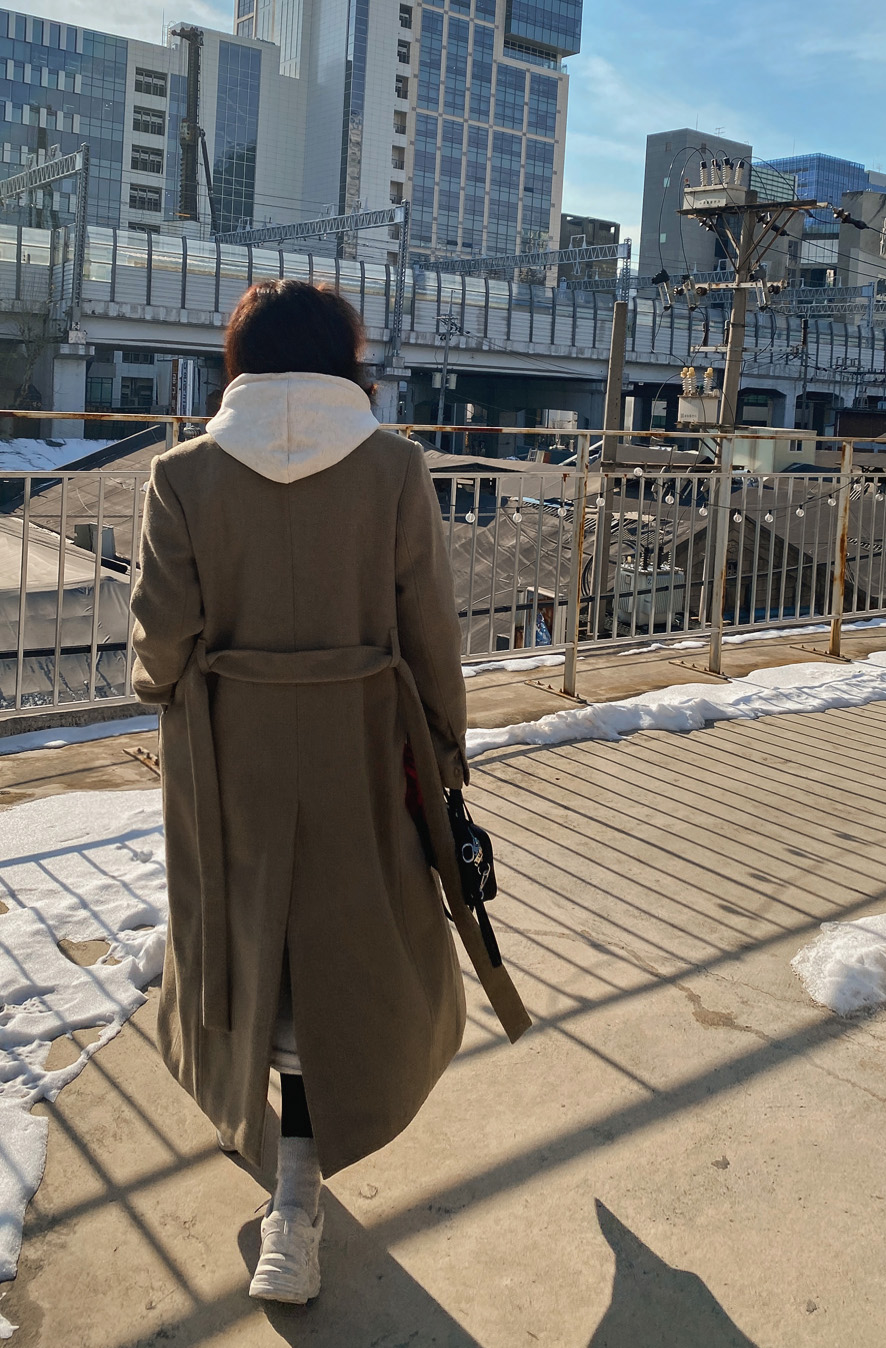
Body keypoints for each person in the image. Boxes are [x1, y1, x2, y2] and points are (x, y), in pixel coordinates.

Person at [130, 280, 529, 1305]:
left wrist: (166, 683)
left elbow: (160, 642)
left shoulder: (181, 475)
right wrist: (444, 748)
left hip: (232, 759)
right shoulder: (393, 468)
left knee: (243, 940)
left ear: (240, 360)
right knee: (343, 960)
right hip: (362, 749)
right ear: (343, 359)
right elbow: (429, 626)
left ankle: (284, 1184)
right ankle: (299, 1195)